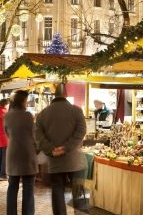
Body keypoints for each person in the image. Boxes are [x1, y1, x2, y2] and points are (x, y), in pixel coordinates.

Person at [36, 83, 87, 215]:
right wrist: (66, 147)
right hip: (74, 160)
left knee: (57, 192)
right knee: (79, 191)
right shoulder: (77, 111)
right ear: (66, 95)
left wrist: (52, 150)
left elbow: (38, 136)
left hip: (55, 161)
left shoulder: (42, 114)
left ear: (54, 95)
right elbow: (81, 132)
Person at [4, 90, 37, 215]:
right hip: (27, 154)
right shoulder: (28, 116)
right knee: (28, 188)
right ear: (23, 101)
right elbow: (34, 135)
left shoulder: (7, 116)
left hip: (12, 154)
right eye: (26, 100)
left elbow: (7, 133)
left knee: (12, 187)